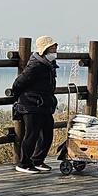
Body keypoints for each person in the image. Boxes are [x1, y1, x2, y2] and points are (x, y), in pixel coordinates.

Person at [11, 36, 60, 174]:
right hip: (31, 105)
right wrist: (21, 98)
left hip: (44, 105)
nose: (55, 50)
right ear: (44, 50)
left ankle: (37, 160)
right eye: (52, 48)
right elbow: (19, 83)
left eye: (55, 47)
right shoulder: (35, 66)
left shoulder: (50, 65)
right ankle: (24, 163)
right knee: (31, 135)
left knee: (47, 134)